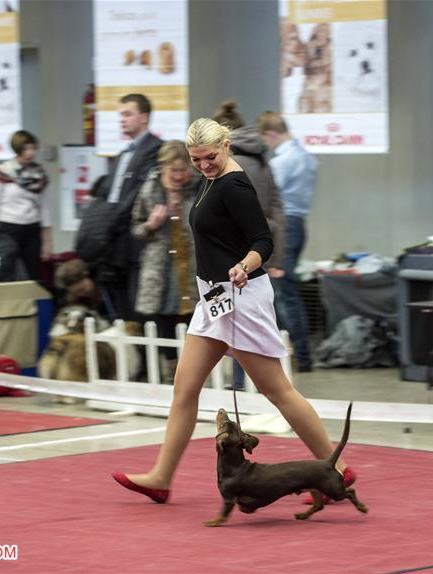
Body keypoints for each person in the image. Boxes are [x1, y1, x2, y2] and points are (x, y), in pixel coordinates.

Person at [112, 118, 354, 503]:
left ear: (226, 145)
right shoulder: (212, 178)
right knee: (184, 388)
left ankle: (337, 470)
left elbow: (263, 240)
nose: (203, 165)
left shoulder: (235, 184)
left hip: (240, 297)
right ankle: (161, 477)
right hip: (214, 300)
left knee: (277, 390)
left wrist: (246, 264)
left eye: (209, 157)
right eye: (196, 160)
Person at [213, 100, 285, 389]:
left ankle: (243, 382)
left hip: (236, 255)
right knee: (255, 321)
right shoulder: (262, 160)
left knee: (238, 322)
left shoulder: (228, 167)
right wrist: (277, 256)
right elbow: (277, 208)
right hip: (261, 250)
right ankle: (249, 380)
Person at [80, 93, 163, 320]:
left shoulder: (155, 150)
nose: (122, 119)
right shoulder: (121, 155)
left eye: (128, 114)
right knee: (120, 309)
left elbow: (138, 194)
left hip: (135, 239)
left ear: (144, 117)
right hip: (113, 242)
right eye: (120, 115)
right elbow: (106, 193)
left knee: (139, 310)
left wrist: (110, 220)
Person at [130, 140, 200, 380]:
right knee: (164, 319)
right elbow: (135, 228)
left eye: (184, 170)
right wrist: (151, 225)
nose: (179, 176)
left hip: (192, 265)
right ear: (163, 167)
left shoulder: (199, 188)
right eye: (174, 171)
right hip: (161, 267)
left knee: (195, 318)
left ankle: (194, 370)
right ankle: (173, 371)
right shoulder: (150, 189)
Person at [257, 111, 317, 372]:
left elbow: (267, 196)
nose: (267, 146)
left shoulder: (283, 161)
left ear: (271, 134)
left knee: (282, 294)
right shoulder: (307, 157)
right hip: (298, 225)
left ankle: (298, 356)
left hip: (284, 227)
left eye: (266, 141)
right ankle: (297, 354)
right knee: (285, 292)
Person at [0, 130, 51, 280]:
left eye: (33, 148)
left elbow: (45, 208)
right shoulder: (2, 172)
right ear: (17, 149)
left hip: (32, 227)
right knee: (9, 270)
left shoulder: (39, 173)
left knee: (33, 273)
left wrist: (47, 241)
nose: (30, 153)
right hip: (8, 227)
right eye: (25, 149)